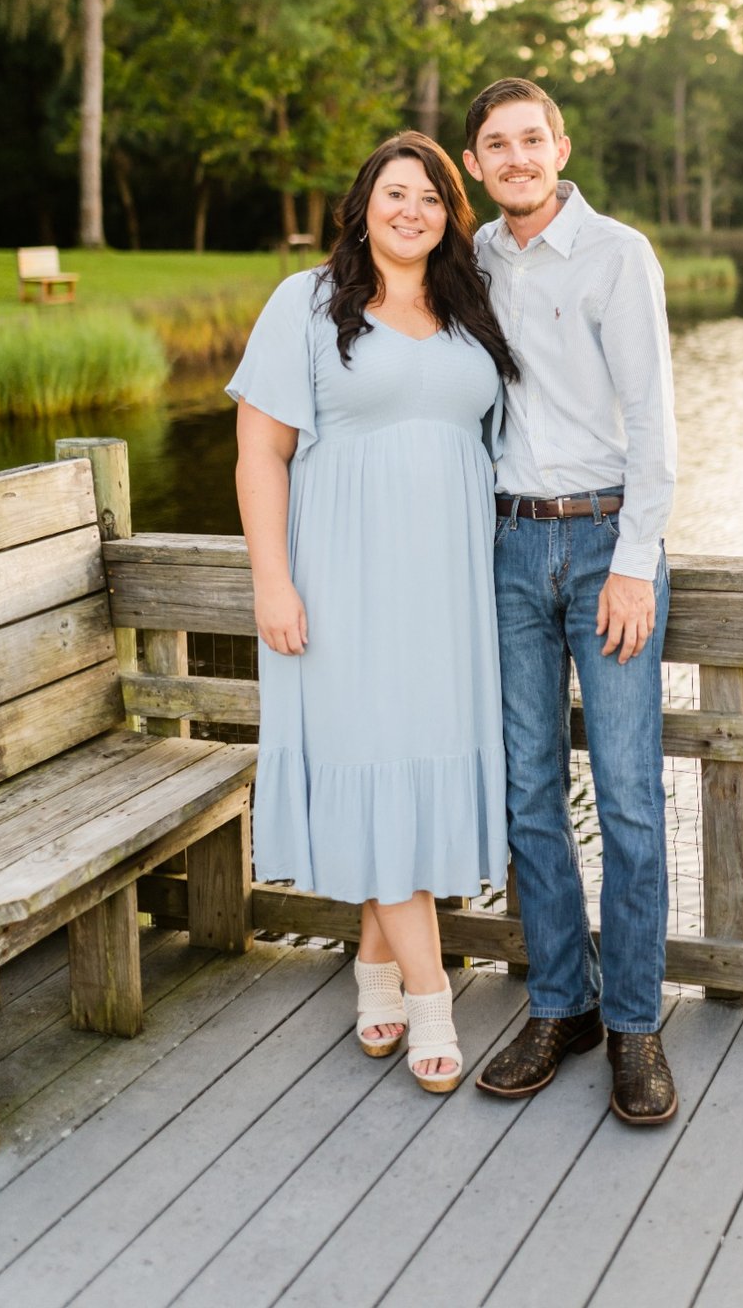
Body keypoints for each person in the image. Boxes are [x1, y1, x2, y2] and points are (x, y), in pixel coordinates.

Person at [227, 131, 518, 1092]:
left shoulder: (469, 304)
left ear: (450, 213)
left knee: (412, 769)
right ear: (361, 208)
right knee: (377, 757)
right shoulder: (307, 304)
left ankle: (376, 970)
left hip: (450, 589)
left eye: (431, 197)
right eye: (394, 194)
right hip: (345, 580)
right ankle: (434, 999)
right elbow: (259, 454)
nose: (412, 211)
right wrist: (274, 582)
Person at [462, 77, 679, 1126]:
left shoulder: (617, 255)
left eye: (530, 139)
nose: (515, 157)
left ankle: (634, 1021)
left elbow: (655, 425)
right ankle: (563, 1003)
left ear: (561, 146)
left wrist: (636, 559)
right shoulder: (471, 262)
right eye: (496, 144)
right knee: (530, 791)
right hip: (508, 546)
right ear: (474, 163)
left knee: (631, 798)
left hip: (605, 550)